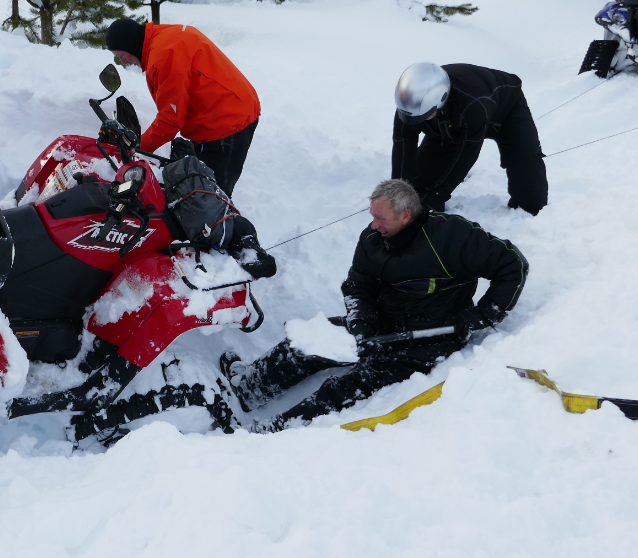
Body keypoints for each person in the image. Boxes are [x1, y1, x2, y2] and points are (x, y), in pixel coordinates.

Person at [223, 179, 528, 432]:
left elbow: (513, 266)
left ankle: (277, 430)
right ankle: (247, 389)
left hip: (429, 339)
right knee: (305, 344)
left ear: (405, 215)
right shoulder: (372, 239)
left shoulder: (452, 236)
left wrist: (478, 318)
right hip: (381, 323)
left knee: (351, 385)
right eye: (372, 216)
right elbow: (357, 286)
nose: (373, 224)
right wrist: (361, 321)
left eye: (380, 218)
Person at [105, 18, 261, 197]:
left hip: (226, 125)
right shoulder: (161, 37)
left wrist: (138, 148)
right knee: (202, 187)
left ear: (130, 44)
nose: (124, 62)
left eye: (122, 55)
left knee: (212, 197)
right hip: (229, 107)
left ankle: (221, 223)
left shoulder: (163, 55)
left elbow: (170, 120)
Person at [391, 62, 548, 215]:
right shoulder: (409, 106)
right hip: (450, 124)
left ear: (440, 100)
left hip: (505, 112)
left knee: (530, 194)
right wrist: (398, 192)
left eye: (423, 116)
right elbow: (403, 148)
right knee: (416, 187)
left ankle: (529, 213)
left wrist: (440, 194)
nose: (417, 121)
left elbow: (467, 153)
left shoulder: (473, 104)